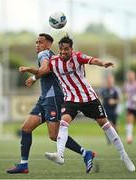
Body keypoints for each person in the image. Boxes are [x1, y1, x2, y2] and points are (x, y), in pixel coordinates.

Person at [20, 35, 135, 172]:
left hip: (88, 98)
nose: (63, 52)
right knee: (64, 122)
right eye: (61, 50)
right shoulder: (54, 61)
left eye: (66, 50)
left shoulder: (78, 57)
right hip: (71, 99)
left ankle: (124, 155)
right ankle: (60, 155)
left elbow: (92, 60)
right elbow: (43, 71)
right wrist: (32, 75)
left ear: (71, 49)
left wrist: (103, 64)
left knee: (105, 125)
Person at [6, 33, 96, 174]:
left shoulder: (44, 53)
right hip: (45, 98)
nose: (37, 45)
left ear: (48, 44)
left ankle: (86, 153)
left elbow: (45, 69)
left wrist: (30, 73)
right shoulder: (49, 54)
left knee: (54, 135)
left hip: (53, 97)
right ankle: (23, 165)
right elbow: (47, 69)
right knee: (26, 128)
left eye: (40, 42)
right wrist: (34, 76)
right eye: (36, 42)